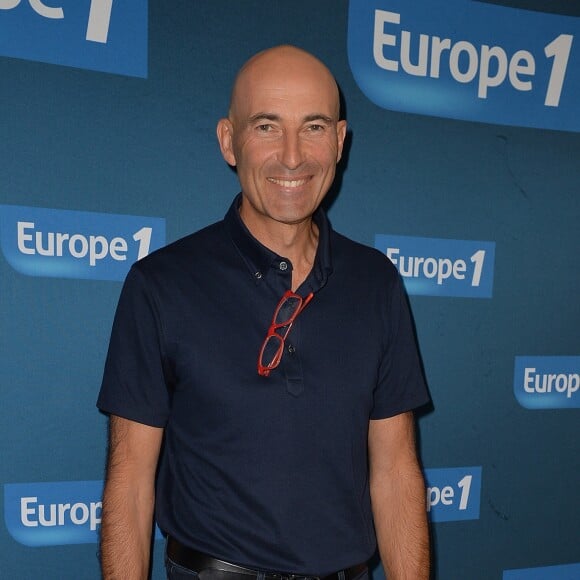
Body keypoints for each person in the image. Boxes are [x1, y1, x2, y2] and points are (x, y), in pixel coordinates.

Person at [97, 45, 431, 580]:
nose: (293, 156)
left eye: (314, 127)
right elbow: (130, 483)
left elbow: (395, 473)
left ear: (340, 141)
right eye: (267, 127)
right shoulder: (160, 285)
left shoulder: (378, 283)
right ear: (229, 141)